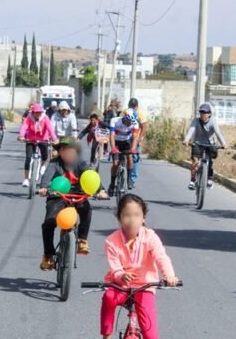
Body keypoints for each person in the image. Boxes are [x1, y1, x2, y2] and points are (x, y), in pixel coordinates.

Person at [99, 194, 179, 339]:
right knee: (109, 297)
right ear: (119, 218)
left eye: (136, 215)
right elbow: (115, 267)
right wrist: (121, 276)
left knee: (151, 334)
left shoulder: (150, 237)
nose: (132, 220)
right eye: (127, 215)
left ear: (143, 218)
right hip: (120, 286)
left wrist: (169, 276)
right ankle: (106, 335)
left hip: (145, 287)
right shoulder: (111, 241)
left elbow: (161, 257)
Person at [37, 138, 108, 270]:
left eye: (71, 149)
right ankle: (48, 254)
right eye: (63, 149)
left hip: (78, 195)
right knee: (49, 222)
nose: (67, 152)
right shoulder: (54, 163)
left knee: (87, 210)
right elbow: (47, 176)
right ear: (60, 151)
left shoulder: (81, 164)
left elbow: (91, 177)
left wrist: (101, 190)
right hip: (58, 195)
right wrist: (44, 187)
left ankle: (82, 240)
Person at [183, 103, 227, 190]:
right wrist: (186, 140)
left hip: (209, 144)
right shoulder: (196, 121)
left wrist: (224, 144)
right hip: (197, 143)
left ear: (209, 114)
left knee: (210, 162)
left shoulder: (213, 122)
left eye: (205, 112)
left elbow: (218, 133)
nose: (203, 114)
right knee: (195, 161)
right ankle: (192, 181)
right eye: (201, 112)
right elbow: (191, 131)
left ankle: (209, 179)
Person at [18, 104, 58, 187]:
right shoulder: (29, 118)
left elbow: (50, 129)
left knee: (45, 155)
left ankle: (43, 165)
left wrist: (54, 139)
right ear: (33, 112)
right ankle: (26, 179)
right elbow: (24, 127)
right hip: (31, 139)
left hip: (43, 139)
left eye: (39, 112)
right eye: (36, 112)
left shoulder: (45, 118)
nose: (38, 114)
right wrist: (21, 136)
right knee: (28, 158)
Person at [108, 110, 140, 195]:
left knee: (129, 157)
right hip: (116, 142)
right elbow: (112, 135)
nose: (130, 124)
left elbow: (135, 137)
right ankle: (112, 184)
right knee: (115, 164)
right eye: (128, 122)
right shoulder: (114, 121)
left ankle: (129, 179)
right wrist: (113, 148)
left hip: (127, 141)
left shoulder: (135, 123)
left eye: (131, 123)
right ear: (125, 118)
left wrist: (133, 148)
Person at [127, 98, 148, 187]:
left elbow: (143, 127)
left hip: (135, 137)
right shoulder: (125, 112)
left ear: (137, 107)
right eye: (131, 106)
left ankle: (131, 179)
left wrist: (140, 138)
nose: (132, 108)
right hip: (125, 136)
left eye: (134, 106)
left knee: (134, 158)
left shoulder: (140, 113)